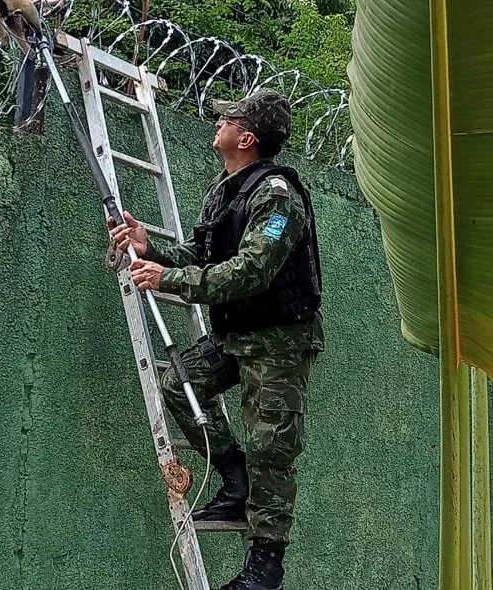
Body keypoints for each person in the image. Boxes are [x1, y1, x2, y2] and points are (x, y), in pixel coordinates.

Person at [109, 89, 325, 590]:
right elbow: (202, 254)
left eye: (228, 119)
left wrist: (169, 281)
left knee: (272, 445)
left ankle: (264, 568)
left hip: (278, 341)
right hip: (237, 334)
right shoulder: (226, 188)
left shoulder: (277, 196)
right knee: (176, 385)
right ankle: (234, 477)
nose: (219, 123)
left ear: (245, 137)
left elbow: (251, 271)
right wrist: (153, 250)